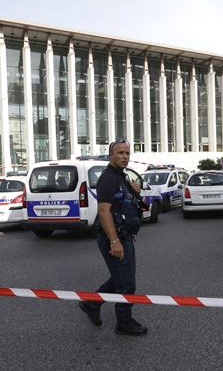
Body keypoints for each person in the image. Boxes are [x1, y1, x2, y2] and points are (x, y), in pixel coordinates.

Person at [79, 139, 148, 336]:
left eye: (127, 153)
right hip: (115, 237)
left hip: (124, 236)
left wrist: (134, 191)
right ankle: (123, 322)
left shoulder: (120, 177)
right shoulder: (108, 178)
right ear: (111, 155)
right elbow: (103, 211)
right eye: (120, 153)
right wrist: (114, 241)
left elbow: (125, 204)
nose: (125, 156)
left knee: (122, 279)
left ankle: (92, 303)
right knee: (126, 283)